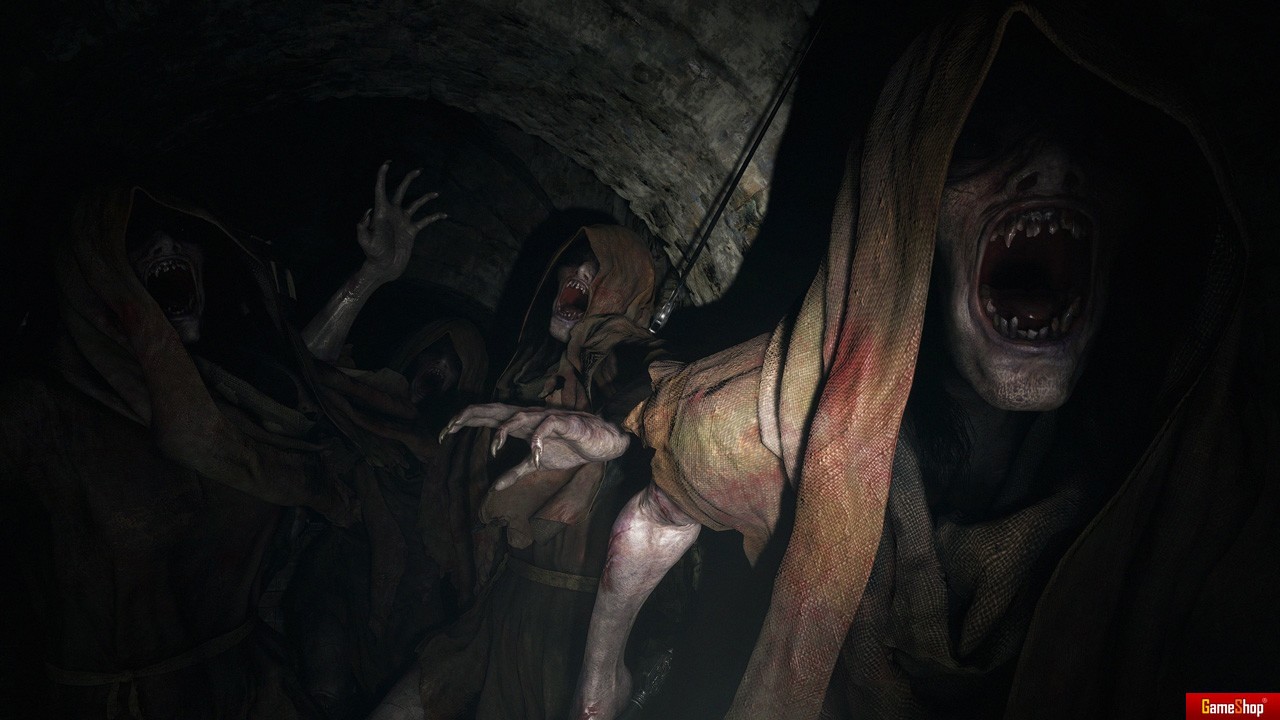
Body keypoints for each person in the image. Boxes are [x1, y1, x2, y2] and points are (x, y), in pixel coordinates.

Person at [443, 4, 1277, 719]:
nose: (1053, 168)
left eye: (1101, 146)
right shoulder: (787, 409)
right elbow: (666, 480)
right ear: (912, 201)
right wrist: (600, 681)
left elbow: (1240, 696)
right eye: (984, 143)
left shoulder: (1199, 482)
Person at [0, 162, 442, 719]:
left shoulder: (222, 398)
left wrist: (370, 276)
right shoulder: (41, 413)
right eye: (136, 239)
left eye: (181, 232)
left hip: (244, 693)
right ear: (97, 276)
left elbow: (296, 383)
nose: (167, 244)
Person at [401, 225, 673, 720]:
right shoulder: (526, 370)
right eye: (575, 260)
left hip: (571, 628)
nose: (580, 272)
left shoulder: (628, 359)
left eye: (600, 268)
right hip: (500, 605)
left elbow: (660, 391)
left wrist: (612, 434)